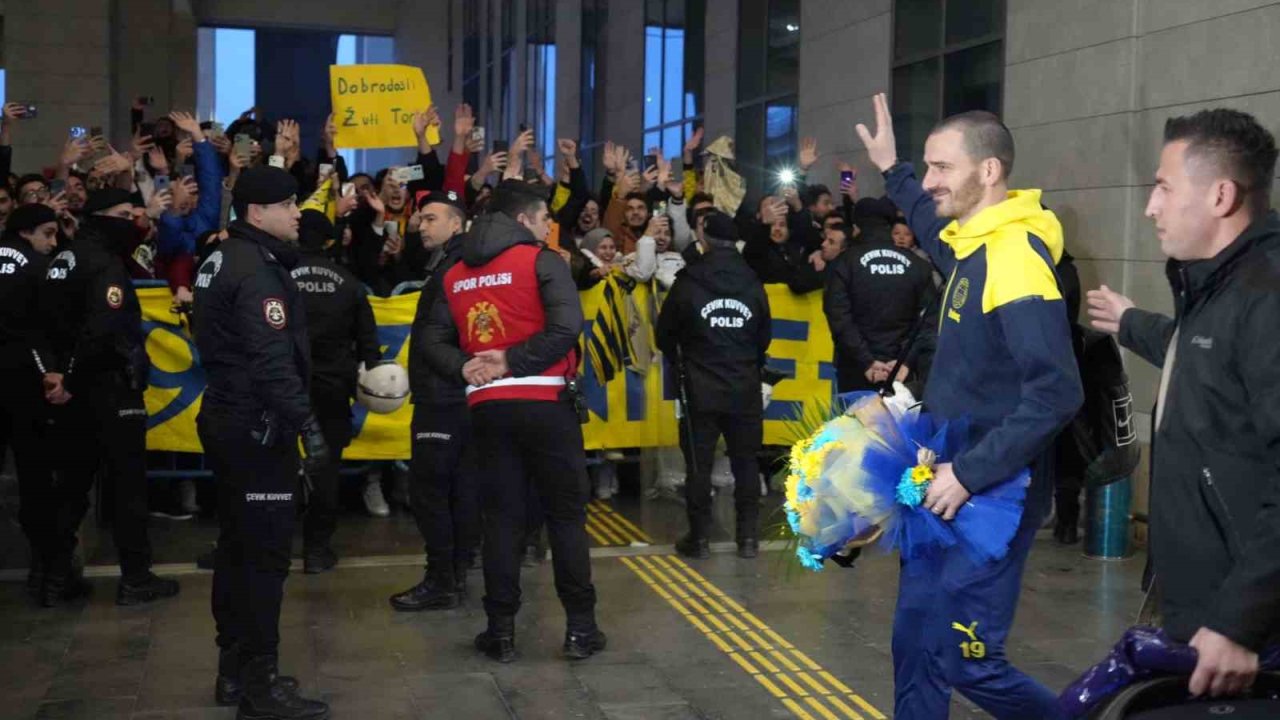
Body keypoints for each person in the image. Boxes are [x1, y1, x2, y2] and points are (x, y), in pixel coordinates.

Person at [855, 93, 1083, 718]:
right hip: (941, 482)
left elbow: (1057, 392)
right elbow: (932, 226)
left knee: (966, 659)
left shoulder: (1014, 258)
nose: (930, 183)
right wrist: (893, 167)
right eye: (926, 168)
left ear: (989, 172)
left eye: (941, 168)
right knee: (915, 641)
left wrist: (971, 474)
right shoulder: (973, 242)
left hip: (989, 492)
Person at [1087, 108, 1280, 699]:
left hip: (1248, 628)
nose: (1150, 206)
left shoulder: (1267, 294)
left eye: (1164, 187)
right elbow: (1203, 356)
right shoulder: (1218, 285)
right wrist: (1131, 323)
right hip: (1208, 606)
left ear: (1220, 195)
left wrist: (1237, 621)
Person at [422, 179, 604, 663]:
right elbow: (567, 328)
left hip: (487, 408)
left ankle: (500, 632)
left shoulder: (454, 272)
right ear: (524, 219)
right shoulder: (542, 261)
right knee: (565, 516)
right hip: (547, 403)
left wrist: (468, 366)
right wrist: (514, 360)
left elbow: (430, 340)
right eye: (545, 218)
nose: (549, 227)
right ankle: (581, 629)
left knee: (501, 519)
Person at [192, 165, 329, 718]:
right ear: (257, 212)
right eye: (289, 203)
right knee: (264, 559)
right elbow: (272, 361)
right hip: (256, 426)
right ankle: (259, 683)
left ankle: (234, 670)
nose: (298, 212)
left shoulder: (221, 258)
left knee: (236, 549)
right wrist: (307, 424)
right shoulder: (256, 271)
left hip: (228, 418)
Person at [40, 189, 181, 607]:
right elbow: (101, 331)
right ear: (100, 218)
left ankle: (55, 578)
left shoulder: (63, 259)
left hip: (71, 390)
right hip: (106, 387)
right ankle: (136, 578)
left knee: (71, 487)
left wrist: (61, 377)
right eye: (124, 214)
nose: (132, 221)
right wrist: (72, 377)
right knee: (127, 488)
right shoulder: (103, 264)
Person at [656, 211, 772, 560]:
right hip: (744, 385)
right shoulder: (752, 281)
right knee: (746, 463)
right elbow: (764, 337)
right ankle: (748, 538)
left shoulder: (689, 280)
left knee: (699, 466)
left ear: (704, 236)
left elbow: (664, 335)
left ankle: (700, 538)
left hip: (699, 386)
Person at [390, 189, 481, 612]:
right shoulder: (452, 264)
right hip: (454, 392)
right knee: (459, 488)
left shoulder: (454, 268)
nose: (420, 225)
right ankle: (455, 572)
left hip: (444, 395)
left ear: (457, 224)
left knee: (429, 490)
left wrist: (451, 370)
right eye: (420, 219)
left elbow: (441, 336)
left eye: (430, 219)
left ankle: (443, 578)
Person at [292, 209, 380, 574]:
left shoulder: (276, 278)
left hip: (283, 384)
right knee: (325, 469)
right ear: (329, 240)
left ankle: (269, 546)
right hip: (331, 386)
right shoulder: (349, 283)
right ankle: (316, 550)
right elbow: (369, 345)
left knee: (273, 465)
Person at [0, 204, 62, 600]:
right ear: (27, 233)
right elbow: (38, 332)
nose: (52, 244)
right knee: (36, 478)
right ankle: (46, 572)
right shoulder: (37, 269)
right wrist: (50, 372)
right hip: (23, 386)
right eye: (49, 234)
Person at [823, 217, 936, 394]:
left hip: (855, 367)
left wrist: (866, 361)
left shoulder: (846, 262)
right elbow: (929, 319)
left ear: (858, 230)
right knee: (900, 420)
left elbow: (839, 317)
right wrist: (905, 361)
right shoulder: (918, 265)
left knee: (853, 420)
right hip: (902, 370)